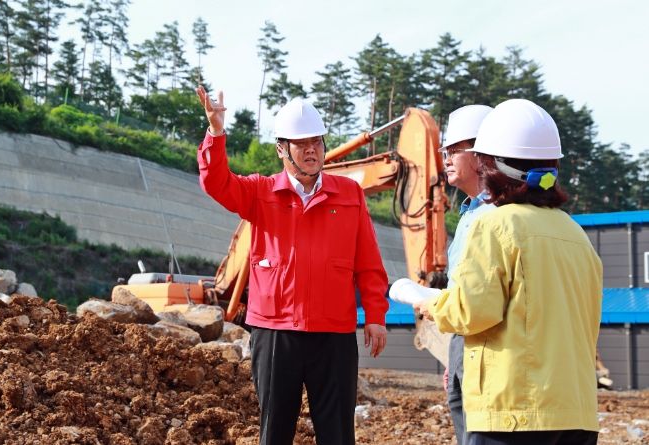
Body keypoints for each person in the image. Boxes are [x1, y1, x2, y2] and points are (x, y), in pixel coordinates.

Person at [195, 86, 389, 445]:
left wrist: (376, 315)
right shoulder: (260, 192)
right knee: (275, 431)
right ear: (282, 149)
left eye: (317, 142)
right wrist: (216, 132)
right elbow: (216, 183)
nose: (312, 150)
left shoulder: (349, 195)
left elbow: (368, 261)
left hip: (333, 334)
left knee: (338, 433)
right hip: (276, 331)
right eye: (301, 144)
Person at [416, 98, 602, 445]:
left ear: (489, 165)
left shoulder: (495, 225)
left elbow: (471, 311)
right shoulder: (574, 233)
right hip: (576, 414)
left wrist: (429, 303)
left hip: (515, 413)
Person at [439, 104, 494, 445]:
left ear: (479, 154)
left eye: (453, 151)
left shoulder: (497, 214)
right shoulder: (468, 214)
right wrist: (454, 355)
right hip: (463, 337)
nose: (446, 160)